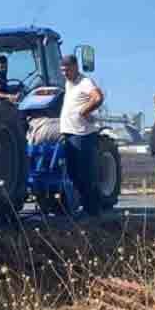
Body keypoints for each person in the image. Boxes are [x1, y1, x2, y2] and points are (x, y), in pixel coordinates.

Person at [59, 54, 104, 214]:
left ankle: (92, 211)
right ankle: (87, 207)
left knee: (85, 174)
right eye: (63, 71)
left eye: (68, 70)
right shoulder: (68, 83)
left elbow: (98, 97)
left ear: (76, 67)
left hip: (83, 135)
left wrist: (85, 111)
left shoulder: (85, 82)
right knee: (73, 173)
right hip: (70, 134)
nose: (65, 73)